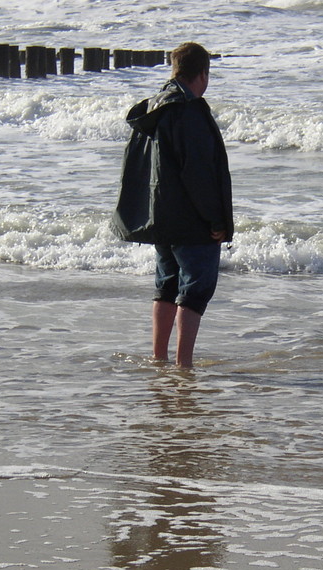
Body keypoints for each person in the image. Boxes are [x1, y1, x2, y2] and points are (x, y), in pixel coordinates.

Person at [111, 42, 233, 368]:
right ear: (203, 73)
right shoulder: (188, 111)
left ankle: (158, 359)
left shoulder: (154, 107)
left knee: (166, 286)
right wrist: (216, 220)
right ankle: (183, 366)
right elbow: (198, 174)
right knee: (194, 289)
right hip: (191, 219)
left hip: (160, 215)